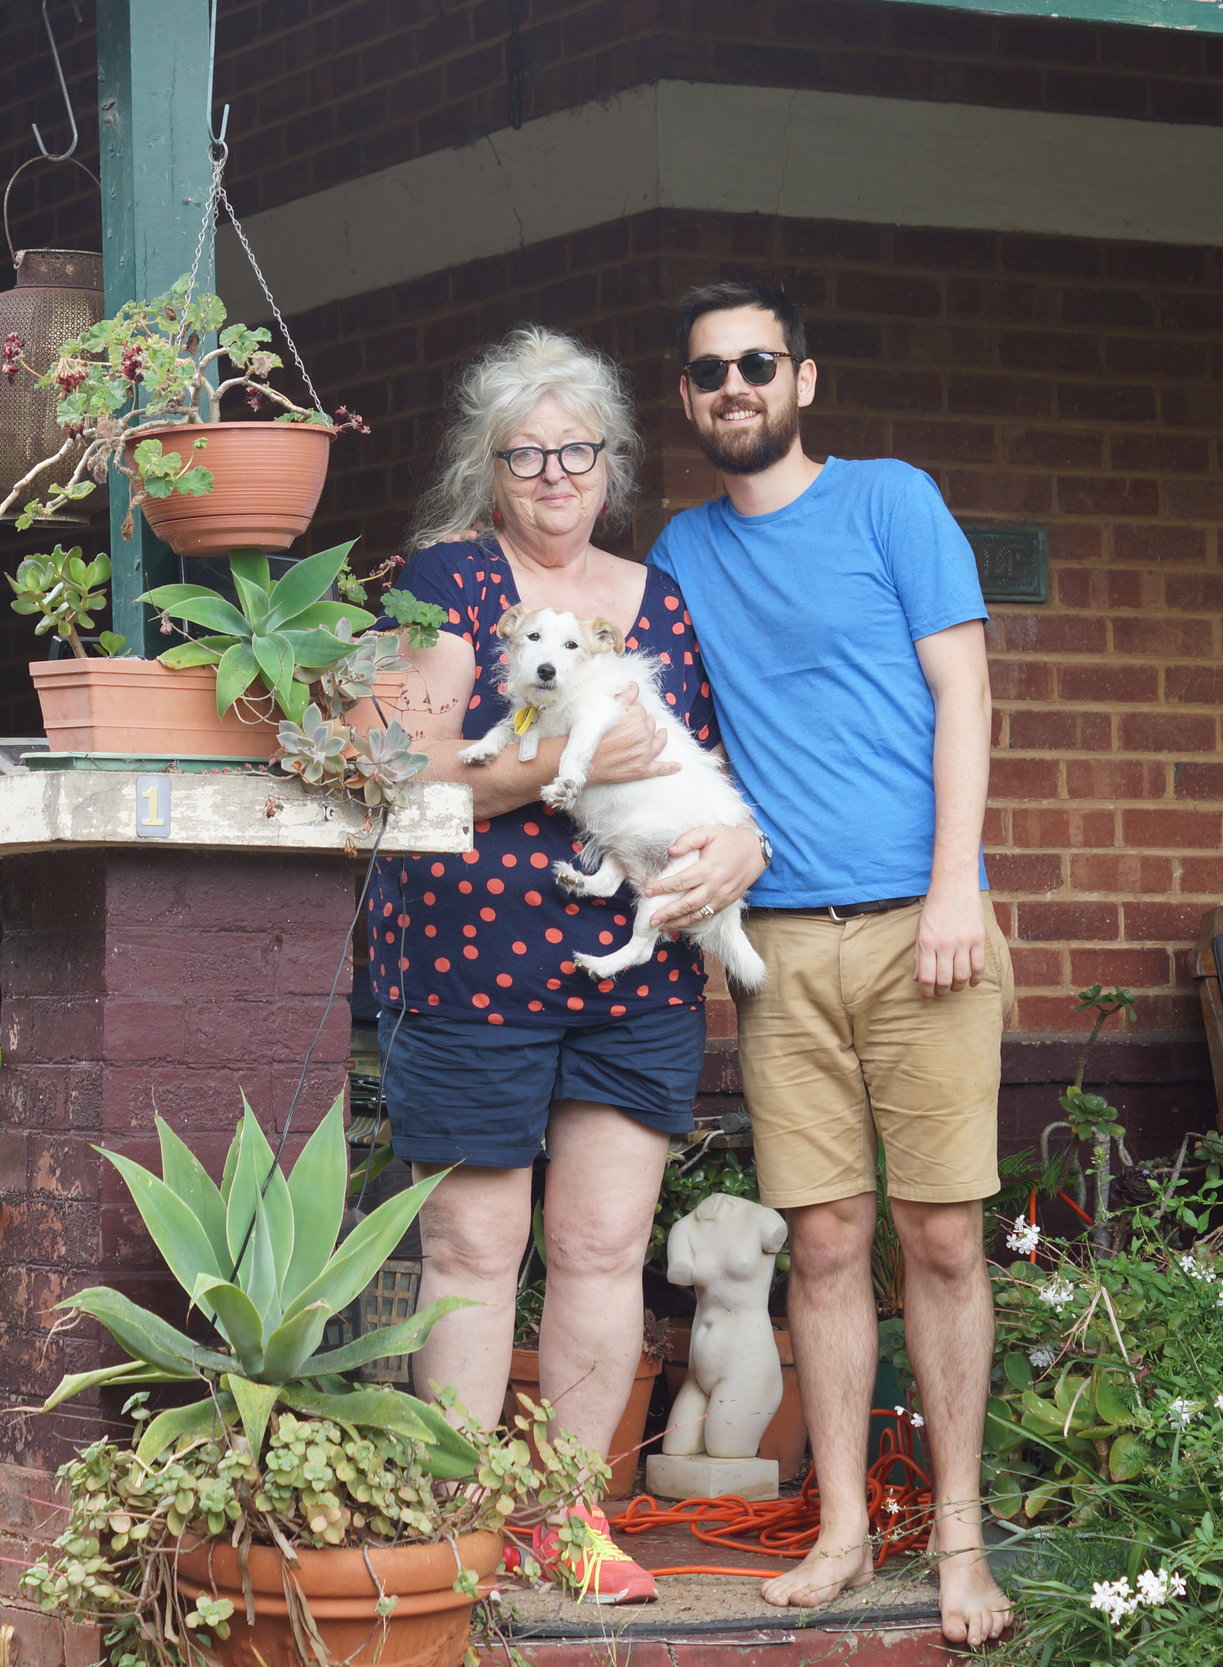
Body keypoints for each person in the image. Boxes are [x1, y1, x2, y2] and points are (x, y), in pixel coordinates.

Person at [639, 279, 1015, 1648]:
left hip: (927, 926)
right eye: (708, 372)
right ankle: (848, 1526)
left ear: (805, 378)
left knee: (944, 1231)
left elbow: (965, 691)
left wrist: (951, 886)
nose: (734, 386)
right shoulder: (681, 549)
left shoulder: (892, 501)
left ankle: (960, 1536)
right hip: (778, 939)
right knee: (828, 1235)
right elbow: (667, 735)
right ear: (687, 400)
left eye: (757, 361)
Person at [371, 325, 770, 1604]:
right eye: (526, 453)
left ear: (611, 462)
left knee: (603, 1246)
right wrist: (566, 761)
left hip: (630, 963)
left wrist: (734, 850)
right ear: (489, 469)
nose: (554, 474)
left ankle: (566, 1515)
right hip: (465, 961)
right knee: (476, 1250)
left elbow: (698, 766)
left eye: (577, 450)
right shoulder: (443, 581)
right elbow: (410, 780)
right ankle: (457, 1520)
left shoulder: (656, 596)